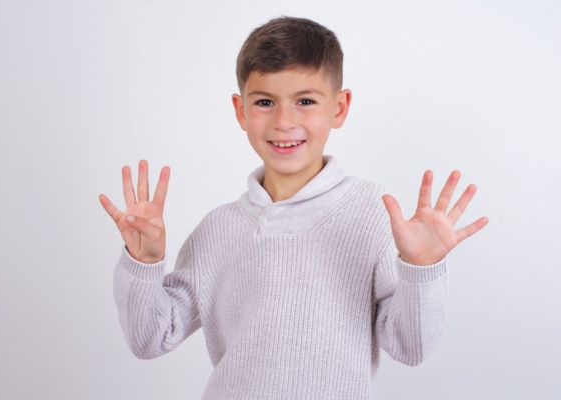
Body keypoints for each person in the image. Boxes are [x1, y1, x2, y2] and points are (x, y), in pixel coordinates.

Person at [99, 16, 488, 400]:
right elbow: (150, 338)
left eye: (305, 101)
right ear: (241, 110)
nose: (285, 122)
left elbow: (410, 348)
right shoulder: (217, 230)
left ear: (339, 107)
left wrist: (421, 270)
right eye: (265, 102)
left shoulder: (371, 212)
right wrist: (143, 263)